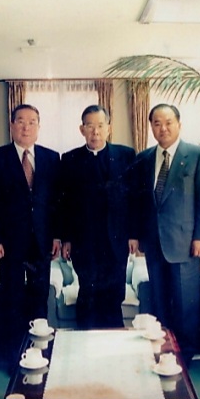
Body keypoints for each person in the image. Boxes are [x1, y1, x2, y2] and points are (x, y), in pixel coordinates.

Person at [126, 103, 200, 366]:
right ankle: (164, 351)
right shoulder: (144, 158)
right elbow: (139, 201)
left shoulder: (197, 155)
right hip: (154, 243)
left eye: (168, 123)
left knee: (186, 305)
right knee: (160, 302)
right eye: (157, 123)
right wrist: (136, 234)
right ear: (151, 127)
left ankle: (185, 356)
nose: (163, 128)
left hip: (185, 243)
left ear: (179, 124)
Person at [0, 104, 61, 368]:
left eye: (31, 122)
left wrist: (57, 236)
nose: (26, 127)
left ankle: (39, 354)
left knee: (40, 299)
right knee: (12, 300)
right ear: (11, 125)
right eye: (20, 121)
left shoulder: (51, 158)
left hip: (42, 241)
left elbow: (57, 203)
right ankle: (14, 357)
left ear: (38, 126)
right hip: (9, 243)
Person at [60, 105, 135, 329]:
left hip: (116, 241)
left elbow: (134, 199)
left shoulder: (126, 155)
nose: (95, 132)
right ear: (82, 129)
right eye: (90, 126)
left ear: (109, 128)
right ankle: (84, 342)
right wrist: (66, 239)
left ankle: (113, 343)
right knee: (88, 295)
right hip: (85, 242)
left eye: (100, 126)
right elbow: (65, 204)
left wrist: (133, 234)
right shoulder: (70, 159)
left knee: (114, 295)